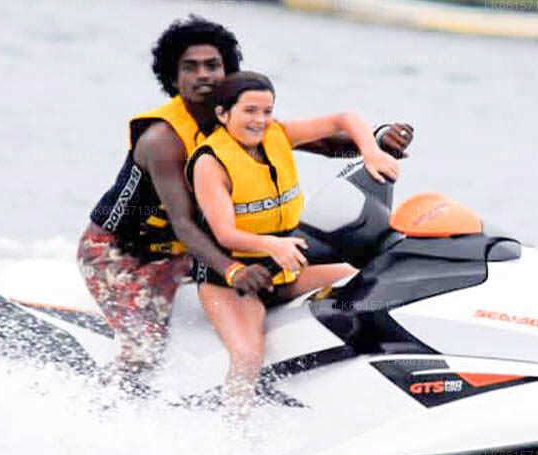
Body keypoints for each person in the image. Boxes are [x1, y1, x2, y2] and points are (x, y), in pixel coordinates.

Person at [77, 16, 414, 390]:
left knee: (352, 275)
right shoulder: (162, 140)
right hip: (124, 254)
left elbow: (326, 144)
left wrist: (378, 142)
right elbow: (185, 224)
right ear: (173, 77)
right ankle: (103, 404)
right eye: (190, 67)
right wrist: (234, 271)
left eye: (213, 65)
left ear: (228, 71)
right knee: (145, 350)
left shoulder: (238, 117)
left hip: (190, 251)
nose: (203, 75)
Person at [187, 71, 401, 412]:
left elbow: (344, 119)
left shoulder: (279, 135)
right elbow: (225, 233)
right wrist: (274, 246)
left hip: (283, 268)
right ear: (223, 114)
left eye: (267, 111)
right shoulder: (210, 163)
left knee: (367, 280)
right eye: (249, 111)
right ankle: (232, 431)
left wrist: (371, 152)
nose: (260, 120)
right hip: (231, 282)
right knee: (247, 356)